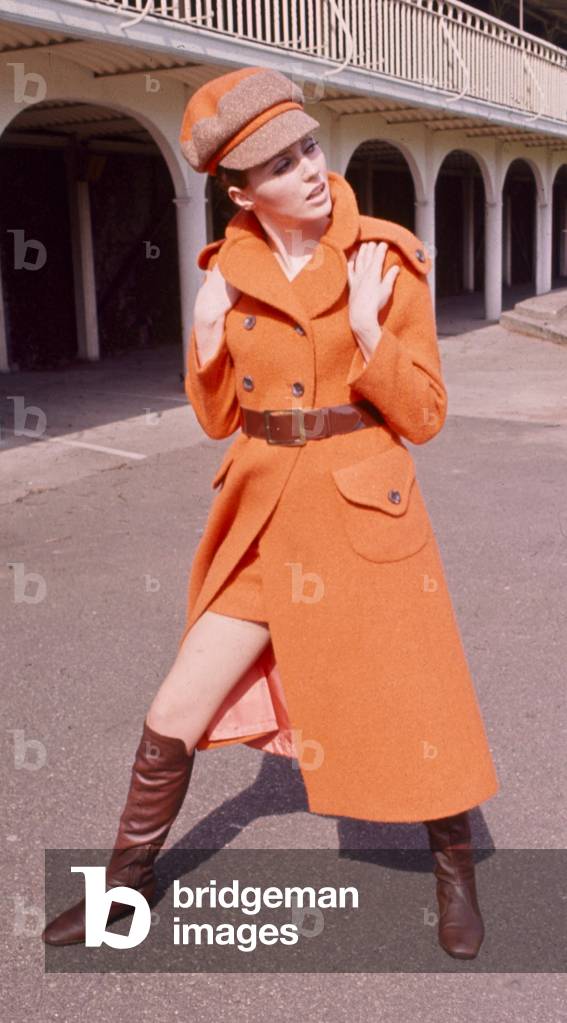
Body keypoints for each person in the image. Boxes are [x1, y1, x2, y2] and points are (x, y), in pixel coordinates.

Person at [42, 66, 499, 959]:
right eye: (279, 165)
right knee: (177, 702)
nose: (306, 172)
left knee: (417, 701)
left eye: (306, 149)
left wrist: (370, 336)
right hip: (262, 515)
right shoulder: (227, 270)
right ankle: (120, 892)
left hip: (365, 506)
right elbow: (218, 417)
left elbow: (426, 416)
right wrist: (207, 336)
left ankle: (455, 872)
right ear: (239, 189)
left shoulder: (385, 257)